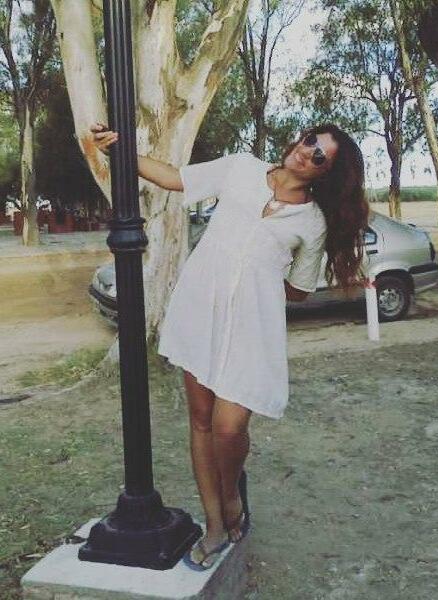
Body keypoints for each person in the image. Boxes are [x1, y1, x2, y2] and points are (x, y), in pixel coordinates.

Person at [90, 122, 369, 569]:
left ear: (327, 173)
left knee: (229, 428)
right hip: (200, 311)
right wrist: (117, 151)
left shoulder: (312, 221)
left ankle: (232, 492)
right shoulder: (242, 168)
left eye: (320, 156)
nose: (307, 152)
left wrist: (257, 279)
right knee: (201, 422)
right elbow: (174, 177)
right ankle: (216, 524)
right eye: (310, 141)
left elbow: (300, 288)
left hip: (251, 329)